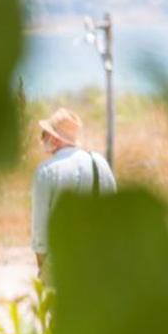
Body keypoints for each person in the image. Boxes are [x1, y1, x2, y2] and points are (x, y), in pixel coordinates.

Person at [31, 107, 116, 272]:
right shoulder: (99, 162)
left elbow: (39, 227)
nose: (42, 139)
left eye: (45, 134)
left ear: (56, 140)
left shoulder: (46, 170)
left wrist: (43, 267)